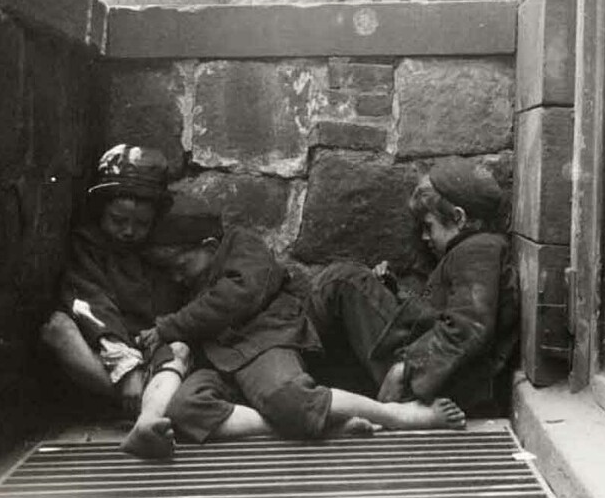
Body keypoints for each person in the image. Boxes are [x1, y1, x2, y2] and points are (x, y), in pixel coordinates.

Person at [119, 214, 468, 459]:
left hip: (259, 340)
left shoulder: (243, 246)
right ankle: (316, 426)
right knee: (185, 411)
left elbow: (239, 295)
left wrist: (170, 327)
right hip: (218, 360)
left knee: (288, 397)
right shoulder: (182, 284)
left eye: (182, 265)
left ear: (210, 246)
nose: (177, 277)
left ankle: (397, 416)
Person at [307, 157, 519, 417]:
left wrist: (406, 368)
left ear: (458, 217)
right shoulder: (474, 250)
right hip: (432, 367)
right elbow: (441, 311)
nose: (424, 237)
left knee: (342, 281)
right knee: (351, 280)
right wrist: (393, 291)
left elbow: (469, 326)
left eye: (429, 226)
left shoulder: (479, 249)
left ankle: (295, 388)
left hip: (442, 382)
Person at [40, 144, 187, 416]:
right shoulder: (88, 247)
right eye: (118, 220)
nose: (129, 231)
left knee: (181, 350)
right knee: (57, 328)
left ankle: (151, 400)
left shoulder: (160, 252)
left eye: (141, 224)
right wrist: (125, 366)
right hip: (106, 350)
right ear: (101, 213)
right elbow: (91, 304)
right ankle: (145, 402)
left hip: (151, 350)